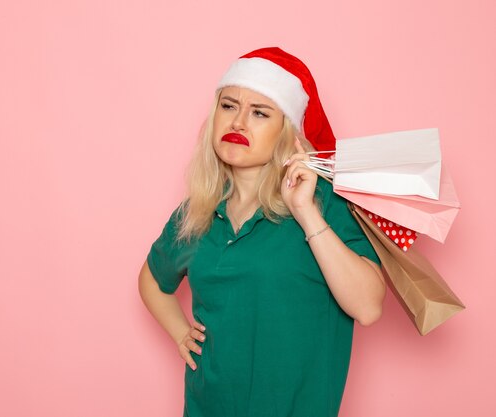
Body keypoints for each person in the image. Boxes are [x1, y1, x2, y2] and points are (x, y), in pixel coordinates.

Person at [138, 47, 386, 417]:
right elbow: (152, 281)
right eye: (229, 106)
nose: (238, 123)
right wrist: (179, 333)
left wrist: (305, 212)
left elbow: (367, 308)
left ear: (286, 130)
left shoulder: (323, 204)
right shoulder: (197, 211)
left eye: (259, 113)